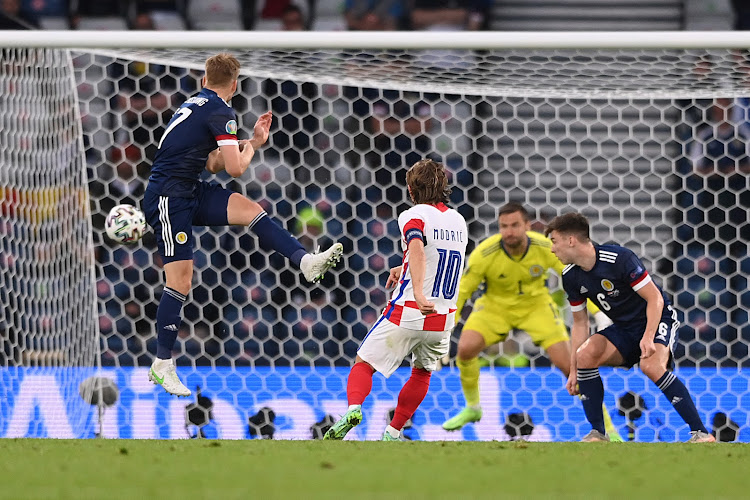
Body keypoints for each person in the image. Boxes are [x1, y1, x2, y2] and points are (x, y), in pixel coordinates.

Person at [142, 53, 343, 397]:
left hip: (189, 190)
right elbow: (235, 169)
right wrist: (255, 146)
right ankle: (162, 363)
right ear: (235, 85)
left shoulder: (197, 104)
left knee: (249, 209)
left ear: (205, 79)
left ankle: (305, 262)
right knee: (181, 279)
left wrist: (251, 143)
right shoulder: (221, 111)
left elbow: (214, 163)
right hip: (169, 199)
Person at [441, 203, 619, 439]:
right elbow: (463, 291)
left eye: (515, 225)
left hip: (536, 306)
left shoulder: (544, 246)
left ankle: (607, 429)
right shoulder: (485, 253)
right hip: (495, 307)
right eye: (503, 226)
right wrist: (444, 329)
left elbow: (576, 275)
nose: (509, 231)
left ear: (527, 225)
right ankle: (473, 407)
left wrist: (598, 312)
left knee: (572, 366)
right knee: (464, 349)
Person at [324, 158, 468, 441]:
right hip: (443, 319)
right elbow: (439, 256)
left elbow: (416, 246)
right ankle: (392, 432)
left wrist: (416, 291)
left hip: (410, 310)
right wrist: (403, 267)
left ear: (412, 190)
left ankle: (354, 408)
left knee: (363, 363)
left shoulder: (412, 215)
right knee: (422, 373)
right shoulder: (459, 220)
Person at [545, 212, 715, 442]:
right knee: (585, 356)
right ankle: (598, 433)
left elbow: (655, 299)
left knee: (650, 366)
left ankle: (701, 433)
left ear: (571, 240)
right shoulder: (571, 277)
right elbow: (580, 323)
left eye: (554, 241)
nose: (552, 249)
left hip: (657, 319)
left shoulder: (619, 259)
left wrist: (647, 337)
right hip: (624, 328)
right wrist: (574, 369)